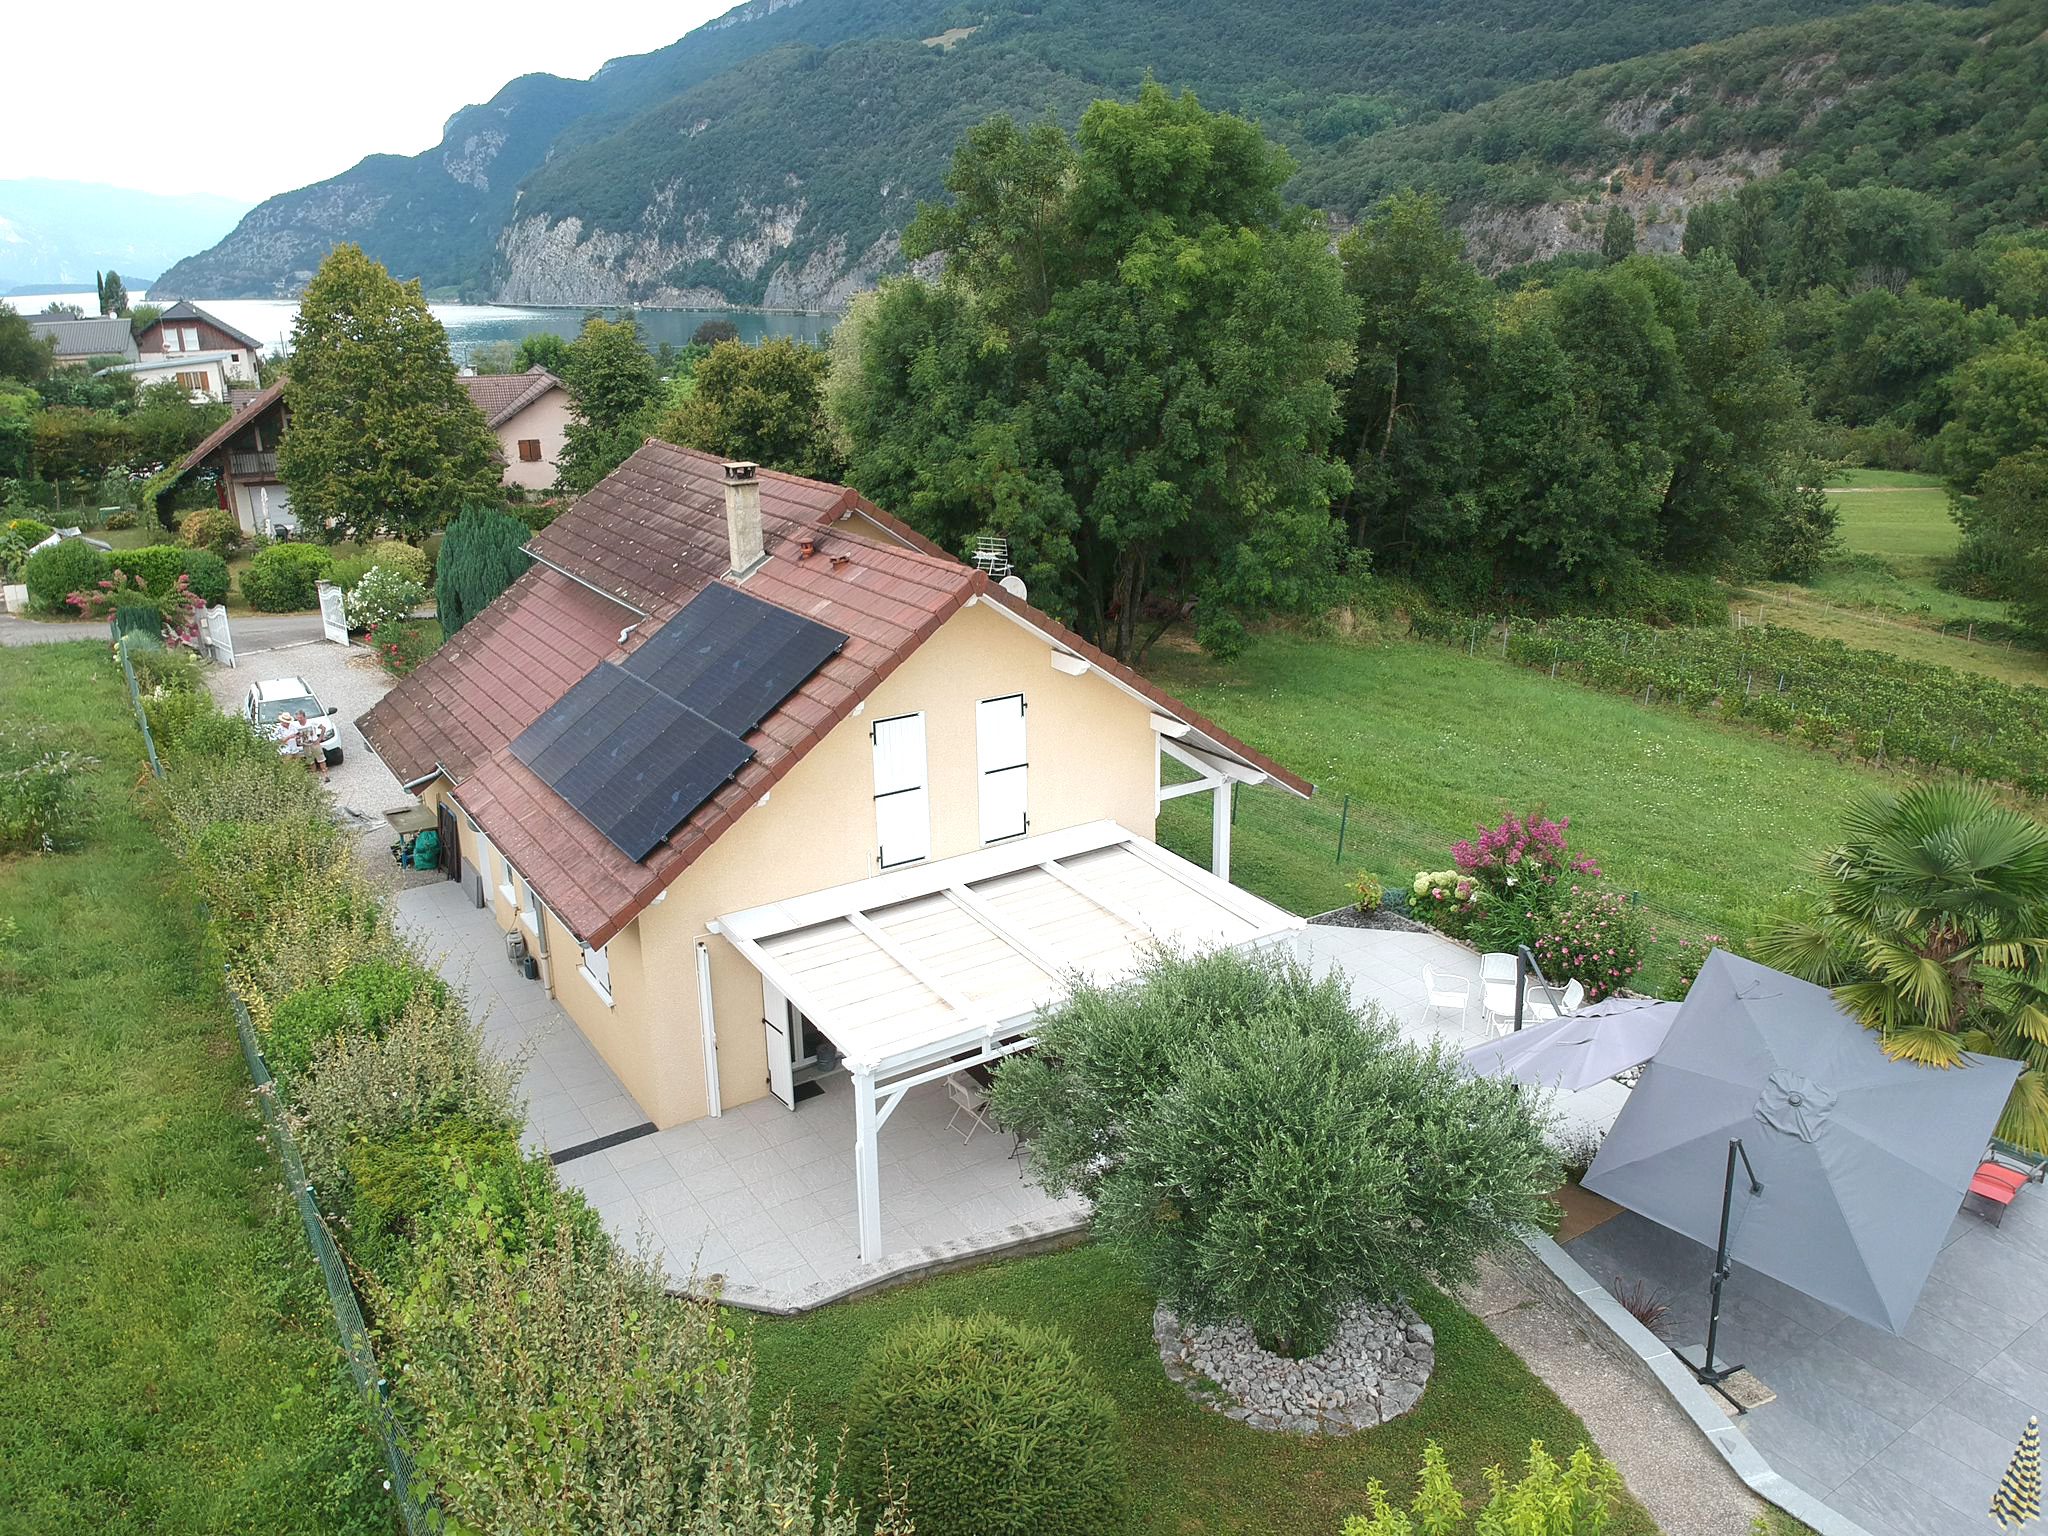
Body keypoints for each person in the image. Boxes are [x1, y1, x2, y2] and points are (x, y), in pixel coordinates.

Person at [295, 710, 328, 777]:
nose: (299, 720)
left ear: (304, 717)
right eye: (298, 718)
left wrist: (319, 739)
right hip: (305, 745)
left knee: (321, 759)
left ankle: (325, 774)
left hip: (314, 743)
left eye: (300, 718)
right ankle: (314, 776)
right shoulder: (296, 725)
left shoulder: (311, 722)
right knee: (310, 761)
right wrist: (299, 740)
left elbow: (323, 728)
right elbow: (296, 735)